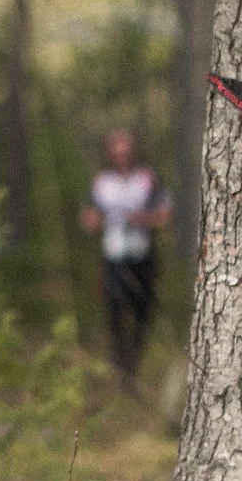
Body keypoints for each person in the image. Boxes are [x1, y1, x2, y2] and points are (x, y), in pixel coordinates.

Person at [79, 128, 171, 381]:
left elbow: (164, 215)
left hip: (143, 256)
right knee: (114, 310)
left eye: (127, 152)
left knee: (143, 310)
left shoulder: (147, 179)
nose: (123, 157)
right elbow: (87, 219)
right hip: (114, 257)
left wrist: (142, 218)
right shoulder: (102, 183)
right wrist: (99, 221)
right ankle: (120, 363)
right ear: (110, 154)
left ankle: (134, 363)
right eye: (118, 153)